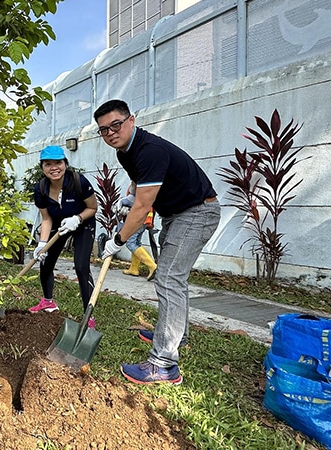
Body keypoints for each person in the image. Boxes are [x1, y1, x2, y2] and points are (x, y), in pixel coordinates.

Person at [95, 99, 220, 385]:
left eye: (116, 125)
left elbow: (142, 209)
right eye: (104, 130)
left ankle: (164, 364)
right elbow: (139, 184)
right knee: (173, 279)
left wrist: (118, 240)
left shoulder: (150, 149)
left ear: (131, 120)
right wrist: (131, 196)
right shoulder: (125, 152)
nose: (111, 133)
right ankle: (175, 334)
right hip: (178, 214)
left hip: (197, 212)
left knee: (168, 279)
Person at [29, 145, 99, 328]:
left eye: (58, 162)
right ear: (42, 167)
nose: (54, 167)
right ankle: (48, 301)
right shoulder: (41, 188)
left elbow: (93, 208)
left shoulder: (79, 182)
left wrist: (77, 218)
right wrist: (42, 243)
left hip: (83, 223)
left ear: (65, 164)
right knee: (45, 262)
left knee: (81, 266)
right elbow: (46, 218)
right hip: (59, 225)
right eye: (48, 164)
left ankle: (88, 316)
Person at [113, 188, 157, 281]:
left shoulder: (139, 185)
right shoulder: (142, 184)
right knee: (136, 242)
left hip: (139, 217)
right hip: (145, 218)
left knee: (130, 243)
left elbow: (139, 202)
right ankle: (134, 269)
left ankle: (153, 266)